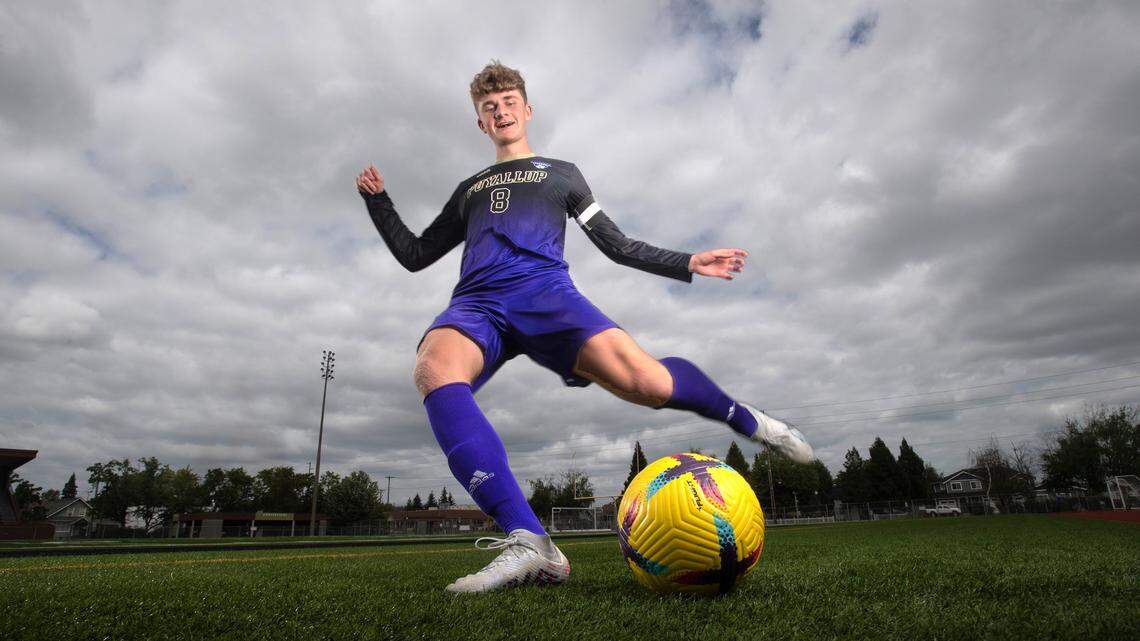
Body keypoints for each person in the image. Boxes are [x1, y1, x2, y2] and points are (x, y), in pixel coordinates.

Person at [356, 61, 813, 593]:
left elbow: (617, 247)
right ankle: (532, 544)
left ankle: (753, 422)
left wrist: (687, 261)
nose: (500, 111)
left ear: (527, 110)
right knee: (433, 368)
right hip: (477, 302)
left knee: (648, 384)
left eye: (508, 103)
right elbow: (415, 255)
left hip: (546, 293)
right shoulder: (470, 189)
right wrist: (379, 202)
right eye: (488, 107)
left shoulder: (562, 174)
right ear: (480, 123)